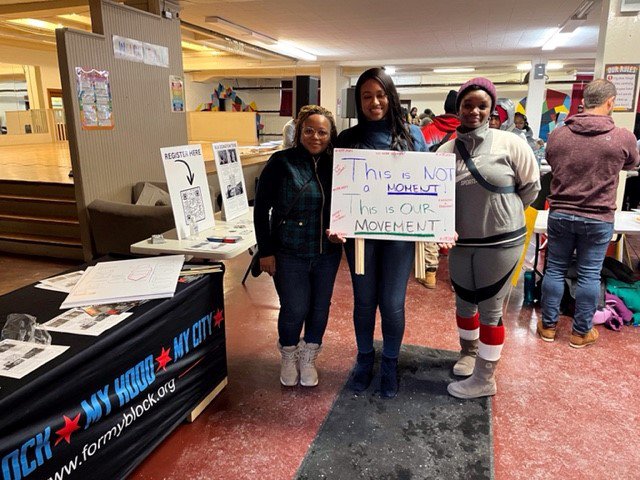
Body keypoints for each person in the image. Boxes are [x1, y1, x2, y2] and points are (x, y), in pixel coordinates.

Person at [437, 77, 540, 399]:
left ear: (492, 109)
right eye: (468, 105)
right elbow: (435, 197)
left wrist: (500, 215)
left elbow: (531, 188)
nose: (475, 111)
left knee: (491, 310)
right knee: (465, 304)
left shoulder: (511, 144)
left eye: (482, 105)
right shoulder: (445, 150)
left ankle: (485, 378)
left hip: (501, 243)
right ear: (458, 108)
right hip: (461, 243)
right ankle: (468, 354)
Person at [328, 67, 428, 398]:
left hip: (399, 236)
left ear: (391, 96)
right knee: (364, 301)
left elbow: (428, 185)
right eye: (367, 96)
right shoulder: (347, 139)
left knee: (392, 302)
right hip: (359, 238)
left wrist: (437, 227)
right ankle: (364, 359)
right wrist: (336, 223)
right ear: (359, 100)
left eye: (381, 94)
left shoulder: (413, 136)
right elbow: (336, 190)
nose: (375, 102)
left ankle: (389, 363)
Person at [538, 79, 640, 348]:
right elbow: (633, 161)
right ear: (610, 102)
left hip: (560, 213)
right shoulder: (622, 136)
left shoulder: (559, 134)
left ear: (584, 103)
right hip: (598, 217)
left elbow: (550, 159)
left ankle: (548, 327)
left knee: (555, 270)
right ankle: (580, 332)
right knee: (589, 274)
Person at [254, 105, 342, 387]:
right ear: (299, 132)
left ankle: (309, 356)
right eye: (309, 130)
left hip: (327, 253)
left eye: (322, 132)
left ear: (331, 135)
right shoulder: (281, 162)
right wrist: (265, 251)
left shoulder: (337, 164)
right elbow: (261, 209)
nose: (315, 137)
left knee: (319, 308)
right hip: (289, 252)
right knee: (294, 307)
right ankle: (289, 354)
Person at [417, 89, 461, 289]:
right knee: (459, 230)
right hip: (459, 187)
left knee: (431, 226)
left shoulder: (427, 129)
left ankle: (430, 273)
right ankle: (457, 279)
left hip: (431, 185)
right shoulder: (466, 130)